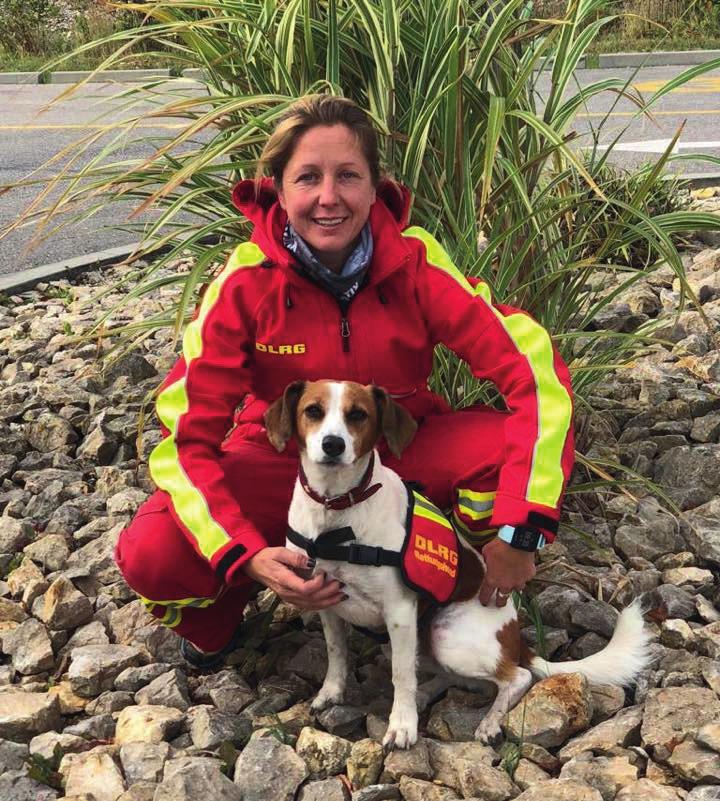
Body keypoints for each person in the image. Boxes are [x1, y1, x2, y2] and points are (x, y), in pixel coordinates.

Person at [115, 95, 574, 668]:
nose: (328, 198)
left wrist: (520, 532)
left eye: (348, 176)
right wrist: (248, 555)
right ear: (278, 189)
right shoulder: (243, 284)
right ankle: (220, 623)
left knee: (504, 449)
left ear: (375, 185)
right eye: (308, 177)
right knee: (152, 553)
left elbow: (536, 377)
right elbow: (185, 442)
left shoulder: (415, 262)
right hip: (283, 459)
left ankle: (452, 590)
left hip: (399, 454)